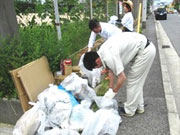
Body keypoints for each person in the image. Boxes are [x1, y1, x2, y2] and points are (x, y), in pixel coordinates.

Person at [83, 32, 156, 117]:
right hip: (144, 48)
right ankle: (139, 107)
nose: (98, 68)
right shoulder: (102, 51)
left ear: (97, 61)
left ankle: (129, 110)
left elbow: (122, 78)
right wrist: (110, 88)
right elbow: (111, 70)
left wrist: (113, 93)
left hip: (145, 52)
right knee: (137, 82)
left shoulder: (108, 57)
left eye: (96, 67)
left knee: (132, 82)